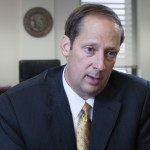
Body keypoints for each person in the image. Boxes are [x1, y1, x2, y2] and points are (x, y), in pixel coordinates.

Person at [0, 3, 150, 150]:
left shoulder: (140, 97)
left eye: (110, 53)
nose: (100, 65)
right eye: (90, 49)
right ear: (66, 46)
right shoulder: (14, 105)